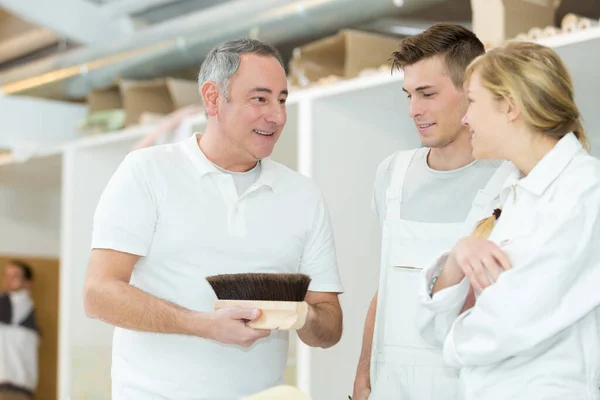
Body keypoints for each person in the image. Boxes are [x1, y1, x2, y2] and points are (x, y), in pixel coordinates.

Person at [83, 38, 344, 400]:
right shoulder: (147, 172)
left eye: (282, 99)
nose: (278, 115)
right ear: (212, 98)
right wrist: (203, 325)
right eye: (260, 98)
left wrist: (303, 316)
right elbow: (98, 294)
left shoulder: (304, 196)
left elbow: (330, 326)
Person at [417, 41, 600, 400]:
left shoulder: (584, 191)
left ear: (511, 107)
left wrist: (454, 339)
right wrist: (457, 258)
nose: (465, 117)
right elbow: (435, 326)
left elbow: (510, 320)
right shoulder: (511, 194)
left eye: (472, 101)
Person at [352, 23, 514, 400]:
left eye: (426, 94)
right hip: (389, 385)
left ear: (471, 90)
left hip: (465, 385)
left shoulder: (509, 183)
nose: (413, 110)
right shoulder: (392, 174)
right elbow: (387, 287)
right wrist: (363, 375)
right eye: (408, 94)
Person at [0, 260, 40, 400]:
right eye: (7, 275)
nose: (8, 280)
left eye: (15, 276)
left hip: (16, 389)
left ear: (27, 283)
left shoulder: (21, 305)